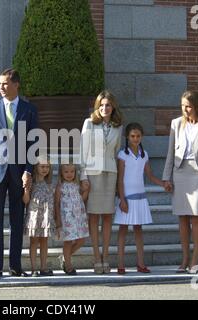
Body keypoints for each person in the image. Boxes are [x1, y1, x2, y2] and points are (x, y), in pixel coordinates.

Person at [0, 68, 39, 278]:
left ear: (16, 85)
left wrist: (29, 171)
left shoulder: (29, 109)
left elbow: (34, 143)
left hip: (19, 173)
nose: (1, 88)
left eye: (5, 83)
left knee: (17, 219)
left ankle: (15, 265)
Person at [162, 90, 198, 274]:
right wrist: (166, 177)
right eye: (183, 106)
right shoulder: (176, 124)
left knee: (196, 217)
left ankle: (196, 258)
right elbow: (170, 152)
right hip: (180, 172)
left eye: (189, 106)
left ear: (197, 106)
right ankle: (185, 257)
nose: (185, 110)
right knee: (182, 218)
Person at [80, 90, 123, 274]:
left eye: (108, 105)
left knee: (107, 217)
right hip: (92, 174)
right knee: (93, 216)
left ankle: (106, 256)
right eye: (102, 105)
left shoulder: (118, 126)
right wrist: (83, 176)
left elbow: (116, 151)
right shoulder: (89, 124)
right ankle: (96, 256)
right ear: (98, 107)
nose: (105, 108)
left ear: (113, 107)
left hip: (110, 173)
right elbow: (83, 151)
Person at [114, 123, 164, 274]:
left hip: (140, 197)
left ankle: (140, 263)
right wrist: (122, 199)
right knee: (123, 230)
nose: (135, 139)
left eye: (138, 136)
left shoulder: (145, 154)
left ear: (142, 137)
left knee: (138, 230)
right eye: (132, 136)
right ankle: (120, 264)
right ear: (127, 137)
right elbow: (120, 179)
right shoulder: (123, 155)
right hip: (127, 197)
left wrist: (163, 184)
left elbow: (149, 175)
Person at [23, 156, 56, 277]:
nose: (45, 169)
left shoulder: (50, 184)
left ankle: (43, 267)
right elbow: (26, 201)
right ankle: (33, 268)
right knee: (33, 242)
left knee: (44, 242)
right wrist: (26, 190)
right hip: (34, 217)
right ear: (36, 167)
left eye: (47, 167)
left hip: (46, 217)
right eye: (42, 166)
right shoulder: (32, 183)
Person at [54, 163, 89, 275]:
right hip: (66, 219)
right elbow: (56, 203)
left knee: (81, 241)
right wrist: (58, 220)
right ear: (61, 173)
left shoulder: (77, 185)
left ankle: (64, 256)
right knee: (68, 242)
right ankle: (68, 265)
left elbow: (81, 199)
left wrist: (87, 191)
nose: (69, 174)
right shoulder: (60, 187)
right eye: (66, 172)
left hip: (79, 218)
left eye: (72, 172)